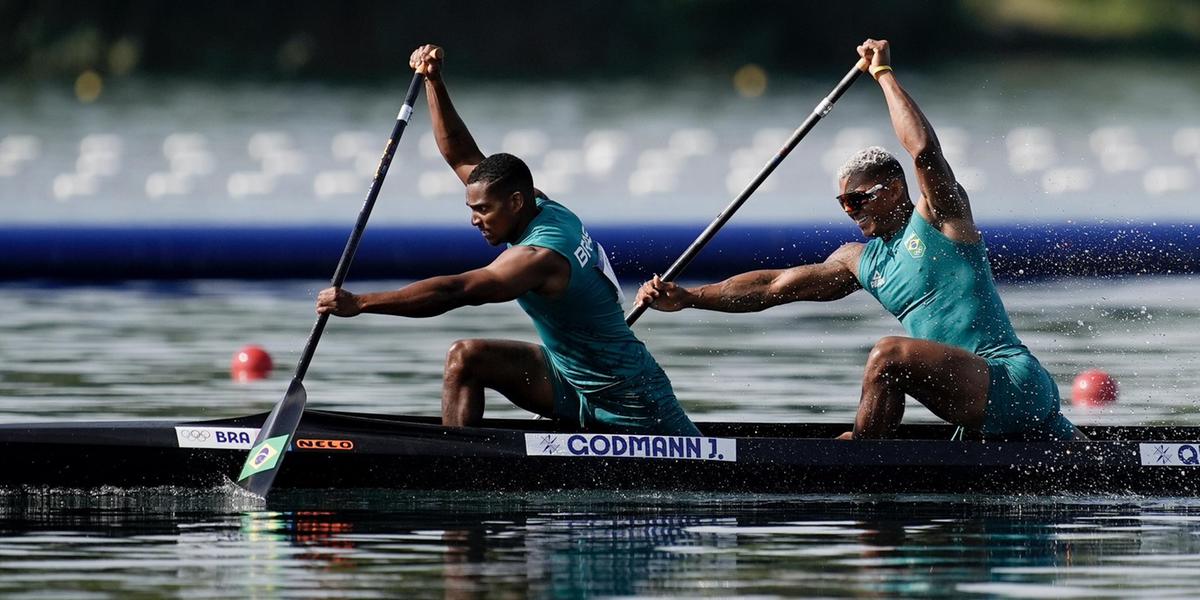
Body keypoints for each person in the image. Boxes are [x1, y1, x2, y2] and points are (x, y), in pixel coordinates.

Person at [636, 39, 1080, 441]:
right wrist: (691, 298)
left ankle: (862, 461)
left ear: (893, 189)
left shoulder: (943, 219)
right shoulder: (860, 261)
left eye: (858, 199)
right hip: (973, 407)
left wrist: (883, 74)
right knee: (890, 374)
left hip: (1012, 382)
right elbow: (771, 288)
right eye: (843, 204)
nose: (851, 212)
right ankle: (868, 454)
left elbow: (924, 150)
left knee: (888, 355)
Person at [317, 44, 700, 437]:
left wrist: (362, 302)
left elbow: (459, 290)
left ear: (515, 202)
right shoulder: (537, 205)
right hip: (568, 379)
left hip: (631, 398)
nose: (474, 220)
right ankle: (458, 465)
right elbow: (461, 155)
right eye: (473, 208)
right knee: (465, 358)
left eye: (482, 210)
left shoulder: (540, 256)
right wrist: (434, 82)